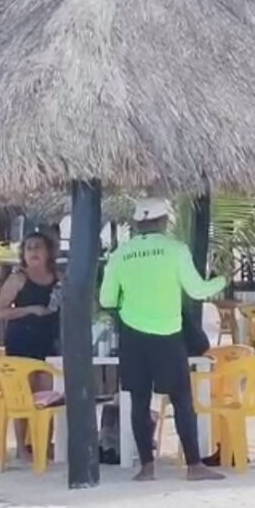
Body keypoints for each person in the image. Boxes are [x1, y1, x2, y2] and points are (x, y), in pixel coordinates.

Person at [99, 198, 226, 482]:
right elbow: (197, 290)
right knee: (181, 399)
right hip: (168, 334)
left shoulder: (120, 254)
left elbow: (106, 299)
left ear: (136, 224)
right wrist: (222, 281)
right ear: (163, 222)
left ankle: (147, 467)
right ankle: (194, 466)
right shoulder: (176, 250)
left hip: (133, 335)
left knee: (139, 401)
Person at [0, 232, 62, 459]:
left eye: (38, 247)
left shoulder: (57, 277)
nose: (33, 251)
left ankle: (44, 443)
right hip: (21, 342)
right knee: (23, 396)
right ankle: (22, 448)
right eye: (29, 247)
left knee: (47, 395)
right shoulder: (18, 279)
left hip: (49, 341)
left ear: (48, 252)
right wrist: (30, 310)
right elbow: (1, 311)